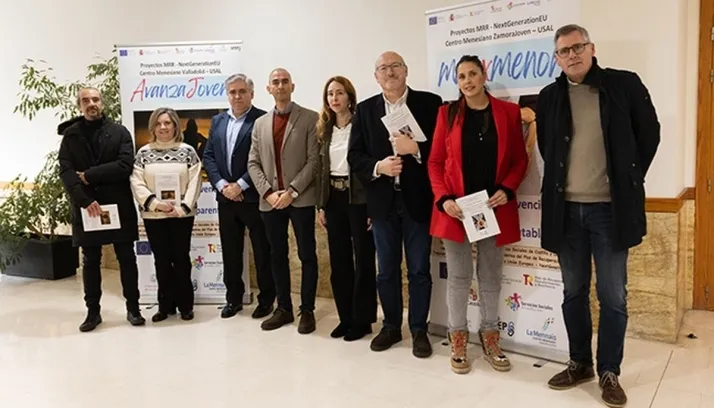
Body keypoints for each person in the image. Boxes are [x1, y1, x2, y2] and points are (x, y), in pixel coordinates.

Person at [536, 24, 660, 407]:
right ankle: (579, 363)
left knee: (613, 296)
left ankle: (609, 371)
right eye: (564, 51)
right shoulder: (549, 96)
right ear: (556, 59)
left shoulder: (623, 85)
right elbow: (546, 146)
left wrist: (629, 178)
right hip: (566, 212)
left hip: (610, 211)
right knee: (573, 292)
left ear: (592, 48)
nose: (572, 55)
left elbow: (649, 133)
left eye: (578, 47)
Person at [428, 55, 528, 374]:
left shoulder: (508, 113)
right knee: (459, 277)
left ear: (484, 76)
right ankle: (458, 338)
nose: (468, 81)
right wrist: (443, 199)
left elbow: (520, 160)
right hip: (457, 211)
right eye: (461, 76)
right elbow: (435, 162)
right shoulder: (446, 114)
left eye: (473, 74)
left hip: (492, 209)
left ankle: (490, 338)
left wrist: (508, 188)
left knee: (490, 276)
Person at [347, 51, 442, 358]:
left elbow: (444, 149)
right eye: (383, 68)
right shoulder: (365, 110)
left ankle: (419, 329)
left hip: (418, 202)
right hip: (382, 204)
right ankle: (390, 326)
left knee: (419, 270)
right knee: (386, 270)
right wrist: (379, 167)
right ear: (376, 76)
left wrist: (417, 150)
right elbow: (354, 156)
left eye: (395, 66)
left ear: (406, 70)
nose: (390, 72)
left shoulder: (430, 103)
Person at [57, 87, 146, 332]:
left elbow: (125, 165)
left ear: (102, 103)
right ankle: (93, 313)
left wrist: (88, 175)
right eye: (85, 100)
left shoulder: (120, 132)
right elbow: (65, 171)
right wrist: (84, 200)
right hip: (87, 206)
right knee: (90, 261)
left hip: (119, 205)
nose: (91, 104)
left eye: (95, 99)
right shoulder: (71, 135)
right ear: (79, 106)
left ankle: (133, 309)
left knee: (127, 258)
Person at [247, 68, 320, 334]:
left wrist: (291, 191)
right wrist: (268, 193)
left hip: (300, 199)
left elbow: (314, 161)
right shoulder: (260, 124)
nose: (280, 86)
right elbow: (253, 163)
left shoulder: (310, 118)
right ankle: (284, 308)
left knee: (307, 255)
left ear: (292, 86)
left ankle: (307, 310)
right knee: (276, 255)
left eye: (285, 81)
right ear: (269, 89)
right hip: (270, 202)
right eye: (275, 82)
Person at [203, 73, 275, 320]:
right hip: (226, 199)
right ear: (227, 95)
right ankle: (233, 299)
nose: (237, 96)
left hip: (253, 198)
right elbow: (209, 156)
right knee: (230, 252)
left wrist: (241, 185)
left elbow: (264, 159)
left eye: (242, 91)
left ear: (251, 94)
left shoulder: (262, 119)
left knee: (262, 251)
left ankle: (266, 300)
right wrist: (223, 185)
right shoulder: (218, 121)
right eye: (232, 92)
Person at [316, 76, 377, 342]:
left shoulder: (361, 125)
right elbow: (320, 170)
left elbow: (369, 166)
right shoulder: (325, 129)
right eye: (330, 94)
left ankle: (363, 320)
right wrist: (321, 205)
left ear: (350, 97)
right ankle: (346, 318)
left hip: (359, 199)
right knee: (339, 262)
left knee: (363, 260)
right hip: (334, 198)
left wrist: (372, 207)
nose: (334, 98)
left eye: (339, 93)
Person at [129, 107, 202, 322]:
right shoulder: (143, 153)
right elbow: (137, 182)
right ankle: (165, 306)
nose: (163, 127)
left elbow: (195, 181)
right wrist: (156, 204)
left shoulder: (187, 151)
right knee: (161, 261)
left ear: (175, 126)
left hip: (181, 216)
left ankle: (186, 306)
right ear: (153, 127)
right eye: (159, 123)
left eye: (167, 123)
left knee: (181, 259)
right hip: (154, 216)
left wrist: (183, 208)